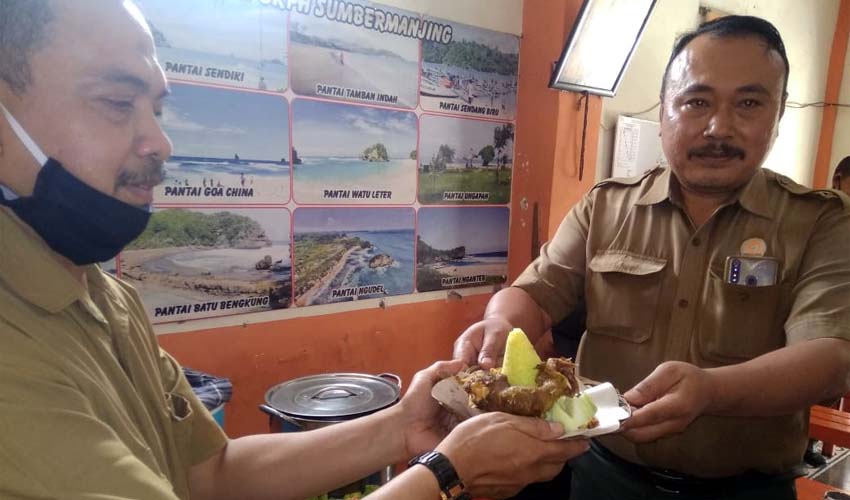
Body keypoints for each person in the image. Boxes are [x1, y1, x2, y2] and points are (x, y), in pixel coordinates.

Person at [0, 1, 589, 499]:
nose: (160, 141)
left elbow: (211, 471)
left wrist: (401, 427)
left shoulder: (106, 297)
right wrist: (443, 474)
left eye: (156, 108)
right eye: (114, 102)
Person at [454, 15, 850, 500]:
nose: (718, 127)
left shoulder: (821, 222)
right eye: (696, 102)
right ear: (665, 108)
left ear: (779, 111)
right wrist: (499, 324)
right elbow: (533, 295)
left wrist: (711, 390)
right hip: (603, 477)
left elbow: (829, 358)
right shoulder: (604, 206)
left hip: (747, 491)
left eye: (748, 102)